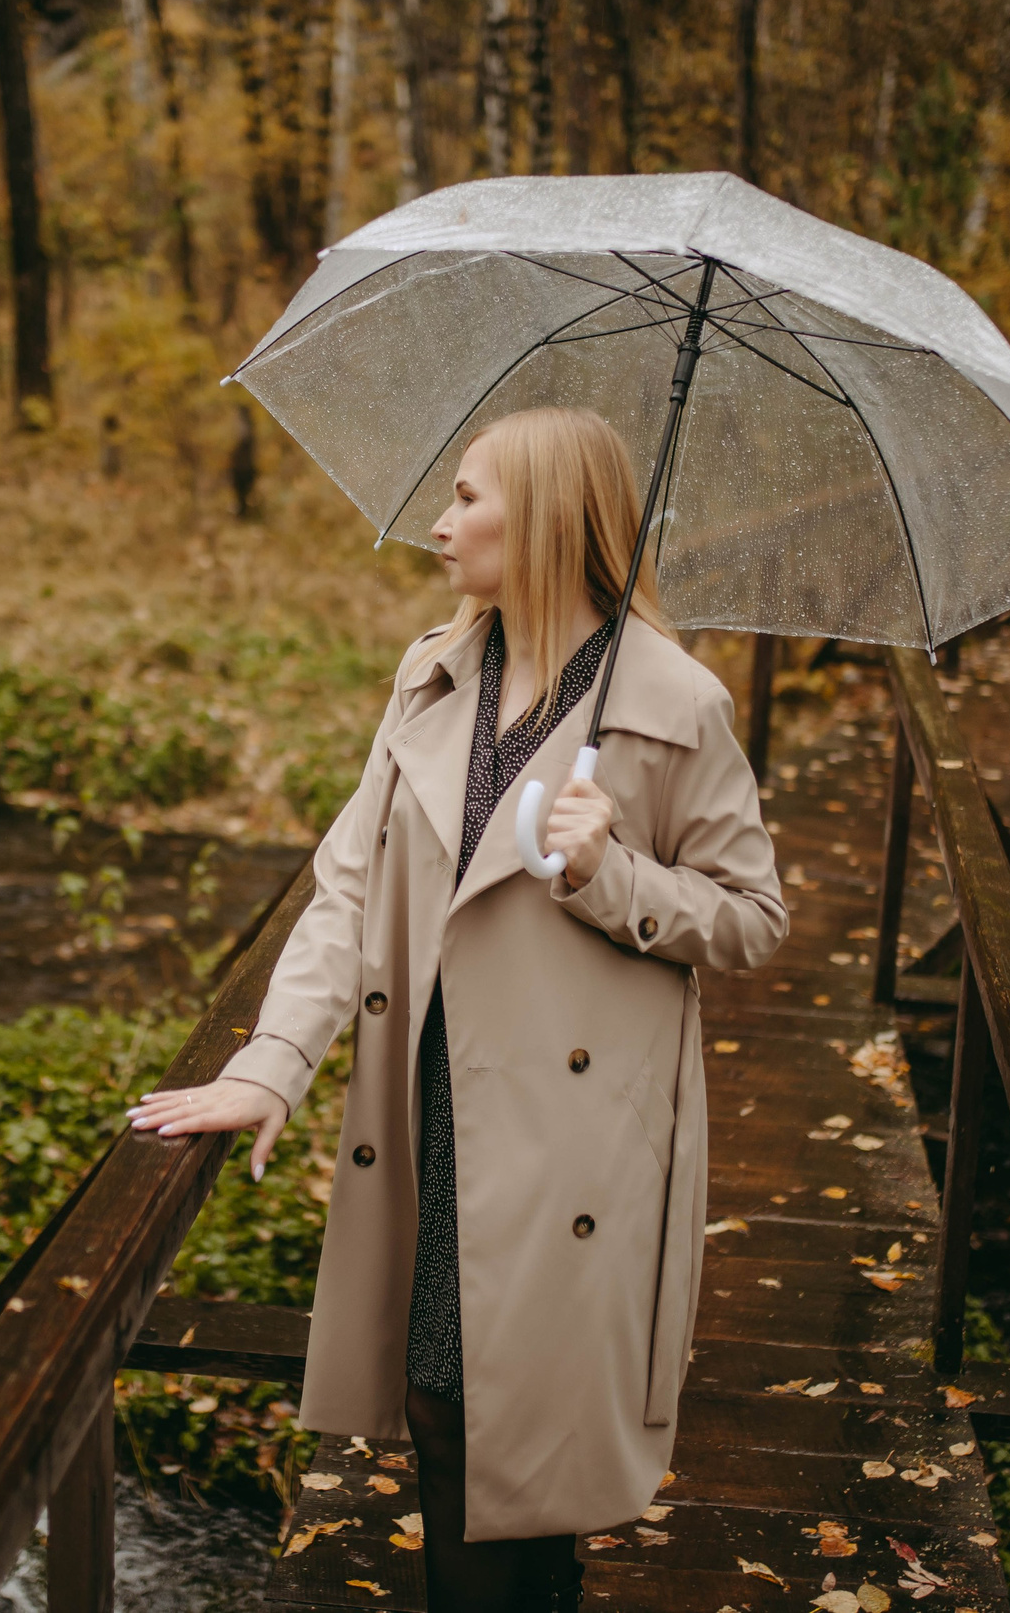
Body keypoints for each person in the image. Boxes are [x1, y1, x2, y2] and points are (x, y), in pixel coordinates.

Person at [128, 406, 786, 1611]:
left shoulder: (674, 702)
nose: (440, 521)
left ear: (540, 518)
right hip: (434, 1093)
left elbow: (751, 918)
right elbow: (348, 882)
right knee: (446, 1409)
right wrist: (273, 1062)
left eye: (469, 497)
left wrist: (611, 875)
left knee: (514, 1436)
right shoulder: (434, 672)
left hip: (573, 1135)